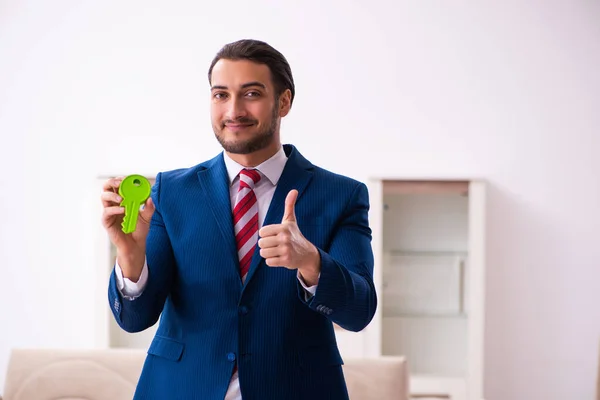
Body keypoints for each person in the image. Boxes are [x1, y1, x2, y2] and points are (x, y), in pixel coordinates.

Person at [101, 39, 377, 400]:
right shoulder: (171, 192)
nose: (234, 110)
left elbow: (358, 312)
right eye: (220, 95)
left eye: (251, 93)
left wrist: (311, 262)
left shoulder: (341, 195)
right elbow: (134, 319)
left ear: (284, 101)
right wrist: (131, 259)